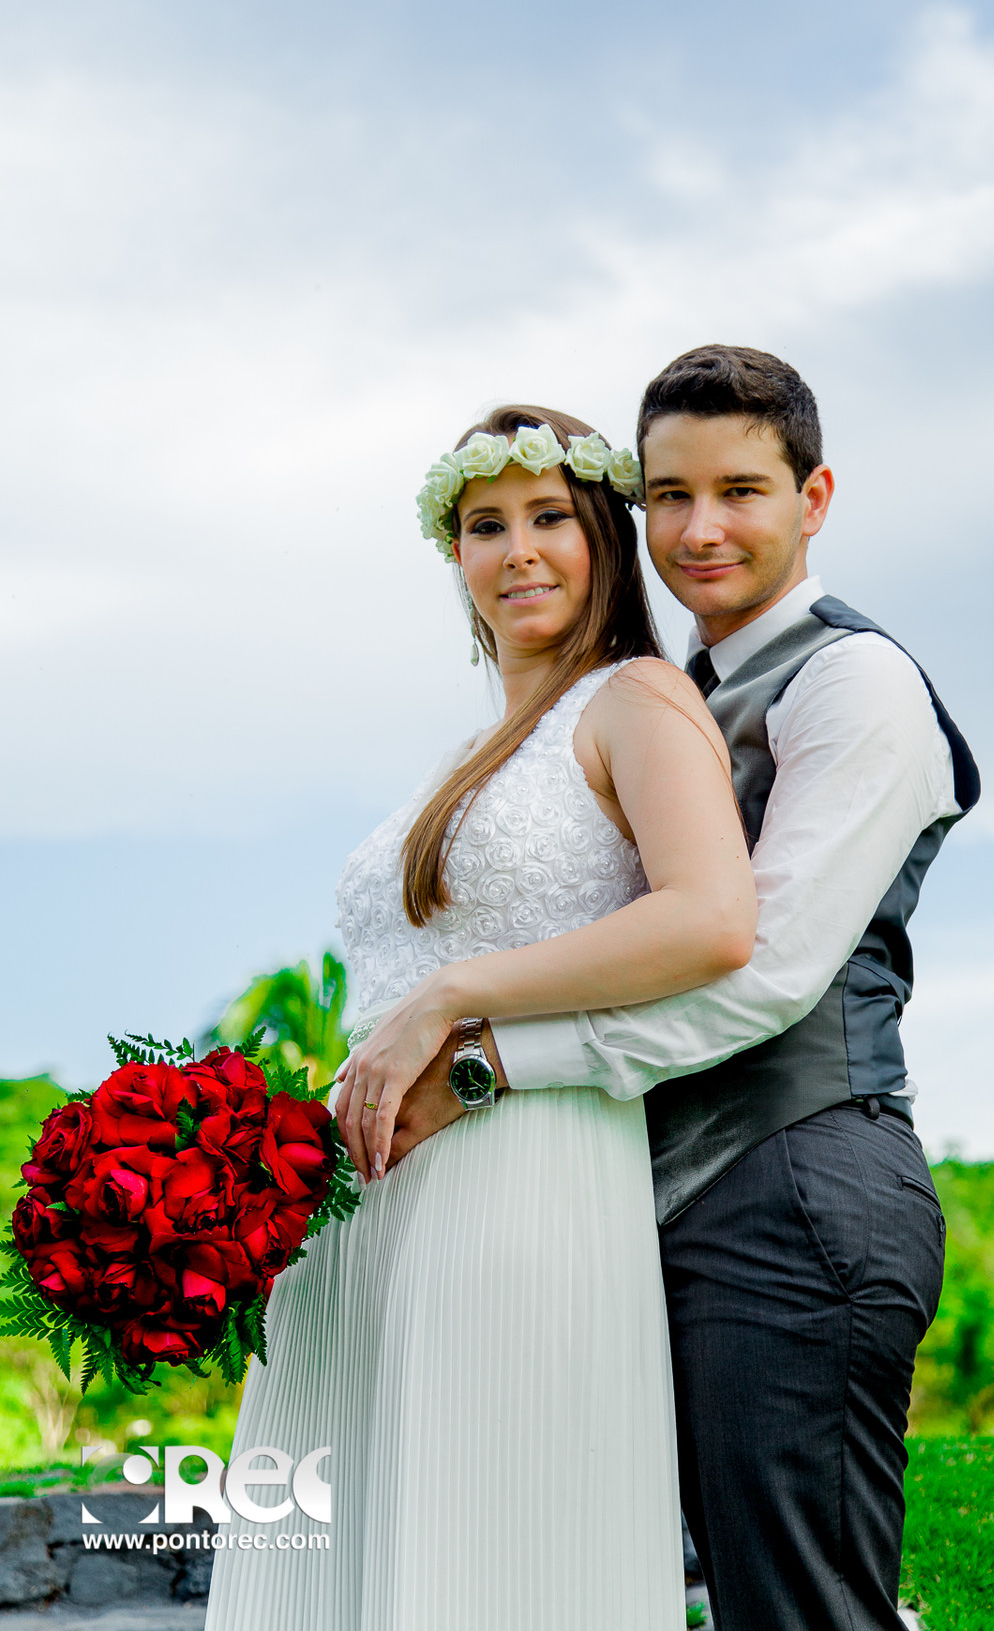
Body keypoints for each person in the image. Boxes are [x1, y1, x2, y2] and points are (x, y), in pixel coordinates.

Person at [392, 348, 981, 1631]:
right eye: (669, 496)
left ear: (813, 498)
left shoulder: (855, 682)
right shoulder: (662, 696)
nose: (700, 529)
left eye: (741, 492)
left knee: (800, 1609)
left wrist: (487, 1064)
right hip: (658, 1204)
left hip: (799, 1189)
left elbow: (764, 972)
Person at [203, 405, 757, 1631]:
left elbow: (713, 919)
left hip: (521, 1181)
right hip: (364, 1215)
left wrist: (454, 998)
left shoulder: (638, 700)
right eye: (485, 526)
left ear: (603, 533)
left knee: (487, 1550)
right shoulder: (468, 752)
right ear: (453, 554)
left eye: (550, 517)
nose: (520, 552)